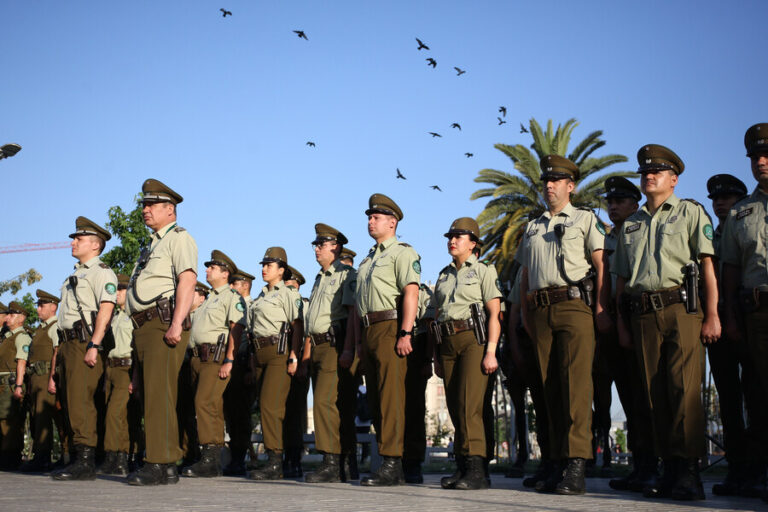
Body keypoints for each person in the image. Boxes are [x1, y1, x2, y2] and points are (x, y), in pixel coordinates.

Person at [613, 144, 720, 501]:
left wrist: (713, 314)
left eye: (656, 172)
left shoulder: (691, 213)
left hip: (683, 309)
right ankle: (668, 469)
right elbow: (622, 282)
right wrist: (623, 323)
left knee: (683, 392)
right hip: (642, 313)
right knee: (652, 394)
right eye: (645, 172)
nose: (648, 176)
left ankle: (689, 471)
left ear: (673, 179)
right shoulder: (631, 224)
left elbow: (707, 267)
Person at [517, 155, 608, 495]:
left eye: (556, 181)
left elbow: (601, 267)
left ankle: (575, 464)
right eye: (545, 182)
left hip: (573, 307)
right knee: (546, 387)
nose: (548, 186)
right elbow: (525, 278)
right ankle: (554, 460)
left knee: (575, 387)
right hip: (540, 312)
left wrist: (600, 308)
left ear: (571, 186)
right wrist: (526, 318)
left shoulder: (586, 219)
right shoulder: (532, 226)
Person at [126, 179, 197, 486]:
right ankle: (167, 463)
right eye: (144, 205)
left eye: (151, 205)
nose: (145, 210)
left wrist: (177, 322)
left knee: (158, 395)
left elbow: (187, 279)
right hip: (146, 324)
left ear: (170, 209)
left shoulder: (178, 238)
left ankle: (157, 461)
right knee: (157, 395)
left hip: (162, 321)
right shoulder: (153, 244)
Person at [597, 177, 657, 493]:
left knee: (647, 394)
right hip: (612, 324)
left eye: (620, 201)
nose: (613, 206)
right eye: (610, 201)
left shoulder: (641, 231)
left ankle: (655, 465)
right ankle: (640, 464)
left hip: (640, 317)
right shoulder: (606, 239)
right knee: (629, 397)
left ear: (635, 205)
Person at [431, 218, 501, 490]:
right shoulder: (444, 275)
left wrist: (491, 351)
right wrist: (436, 355)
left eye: (459, 236)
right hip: (447, 342)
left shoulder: (484, 270)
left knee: (471, 406)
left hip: (475, 340)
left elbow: (495, 314)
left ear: (473, 243)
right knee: (455, 407)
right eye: (450, 236)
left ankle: (477, 470)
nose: (452, 240)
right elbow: (436, 315)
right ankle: (462, 467)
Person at [356, 193, 421, 486]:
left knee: (391, 397)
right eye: (370, 217)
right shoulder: (367, 260)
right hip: (369, 330)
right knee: (376, 399)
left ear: (392, 222)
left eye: (376, 217)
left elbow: (411, 292)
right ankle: (387, 458)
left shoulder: (402, 253)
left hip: (390, 326)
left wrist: (405, 332)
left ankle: (393, 462)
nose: (371, 221)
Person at [720, 123, 768, 503]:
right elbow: (732, 270)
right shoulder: (740, 213)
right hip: (756, 313)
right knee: (759, 394)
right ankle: (758, 470)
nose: (761, 162)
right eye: (754, 157)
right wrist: (731, 318)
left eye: (766, 155)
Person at [51, 217, 117, 481]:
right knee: (69, 402)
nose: (73, 242)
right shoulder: (74, 275)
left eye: (78, 239)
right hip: (68, 343)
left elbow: (107, 308)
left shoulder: (101, 272)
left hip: (83, 342)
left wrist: (94, 344)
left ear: (95, 245)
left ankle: (86, 461)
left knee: (81, 402)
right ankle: (78, 457)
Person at [704, 174, 751, 496]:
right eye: (716, 199)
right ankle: (737, 469)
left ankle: (758, 469)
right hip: (717, 325)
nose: (720, 203)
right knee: (729, 403)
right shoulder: (711, 237)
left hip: (749, 319)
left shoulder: (746, 228)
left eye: (728, 197)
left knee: (758, 397)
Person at [301, 224, 357, 483]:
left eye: (321, 244)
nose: (316, 248)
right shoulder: (318, 278)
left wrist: (349, 349)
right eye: (315, 244)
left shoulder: (347, 275)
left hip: (336, 344)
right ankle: (343, 463)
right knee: (330, 403)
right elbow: (312, 319)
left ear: (335, 247)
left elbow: (352, 314)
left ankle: (331, 461)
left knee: (325, 402)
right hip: (319, 345)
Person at [182, 250, 246, 478]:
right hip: (198, 359)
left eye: (212, 267)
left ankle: (208, 456)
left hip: (215, 358)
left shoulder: (231, 297)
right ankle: (212, 458)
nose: (207, 270)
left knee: (204, 402)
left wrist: (229, 359)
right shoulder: (208, 298)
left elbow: (235, 330)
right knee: (211, 407)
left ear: (224, 272)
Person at [246, 247, 303, 481]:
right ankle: (277, 458)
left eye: (269, 265)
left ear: (281, 271)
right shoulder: (259, 298)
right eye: (263, 265)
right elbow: (250, 331)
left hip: (279, 352)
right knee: (266, 406)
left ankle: (275, 461)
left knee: (271, 406)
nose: (264, 269)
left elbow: (297, 325)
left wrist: (294, 355)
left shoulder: (287, 294)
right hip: (259, 353)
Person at [19, 290, 61, 472]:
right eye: (38, 305)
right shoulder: (40, 329)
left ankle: (44, 457)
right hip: (36, 378)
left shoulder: (54, 326)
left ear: (53, 307)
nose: (38, 309)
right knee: (37, 416)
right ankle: (40, 454)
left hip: (46, 376)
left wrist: (52, 378)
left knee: (45, 416)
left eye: (41, 305)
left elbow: (57, 352)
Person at [97, 274, 134, 476]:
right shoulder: (114, 316)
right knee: (117, 416)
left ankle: (113, 455)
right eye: (117, 290)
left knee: (114, 412)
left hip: (126, 368)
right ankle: (120, 458)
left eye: (121, 289)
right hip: (110, 368)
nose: (117, 293)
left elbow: (136, 347)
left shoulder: (133, 315)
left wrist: (135, 376)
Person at [223, 269, 256, 476]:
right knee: (231, 413)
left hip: (245, 364)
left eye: (233, 285)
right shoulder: (232, 304)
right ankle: (235, 457)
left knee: (242, 414)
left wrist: (251, 368)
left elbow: (252, 339)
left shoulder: (252, 307)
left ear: (244, 285)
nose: (231, 289)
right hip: (231, 364)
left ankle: (239, 459)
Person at [402, 282, 434, 483]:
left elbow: (430, 327)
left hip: (416, 347)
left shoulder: (422, 292)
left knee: (414, 408)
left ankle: (413, 461)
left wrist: (428, 359)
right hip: (394, 346)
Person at [176, 280, 209, 469]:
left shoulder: (204, 313)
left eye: (193, 293)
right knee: (184, 410)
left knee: (201, 407)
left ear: (202, 296)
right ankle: (188, 453)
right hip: (185, 363)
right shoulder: (184, 315)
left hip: (200, 360)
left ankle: (203, 455)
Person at [283, 264, 310, 478]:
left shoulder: (303, 304)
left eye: (290, 283)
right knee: (280, 412)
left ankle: (294, 459)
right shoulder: (281, 302)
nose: (287, 286)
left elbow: (306, 334)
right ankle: (284, 457)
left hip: (298, 363)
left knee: (294, 414)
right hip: (281, 362)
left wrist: (303, 362)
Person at [0, 302, 31, 470]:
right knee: (3, 419)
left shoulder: (21, 337)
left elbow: (22, 362)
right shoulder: (7, 337)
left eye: (12, 315)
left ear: (21, 319)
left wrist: (19, 385)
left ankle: (11, 457)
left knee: (10, 420)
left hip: (10, 384)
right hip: (2, 384)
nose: (8, 317)